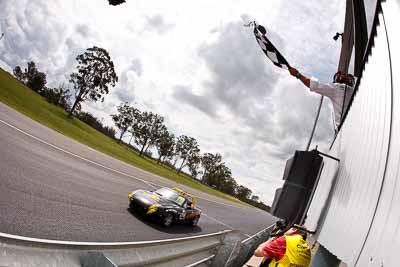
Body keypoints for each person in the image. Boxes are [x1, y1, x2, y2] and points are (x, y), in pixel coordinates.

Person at [288, 67, 355, 129]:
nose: (343, 74)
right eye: (340, 74)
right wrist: (297, 74)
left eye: (346, 75)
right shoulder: (336, 87)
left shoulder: (336, 88)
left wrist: (298, 74)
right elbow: (312, 85)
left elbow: (312, 85)